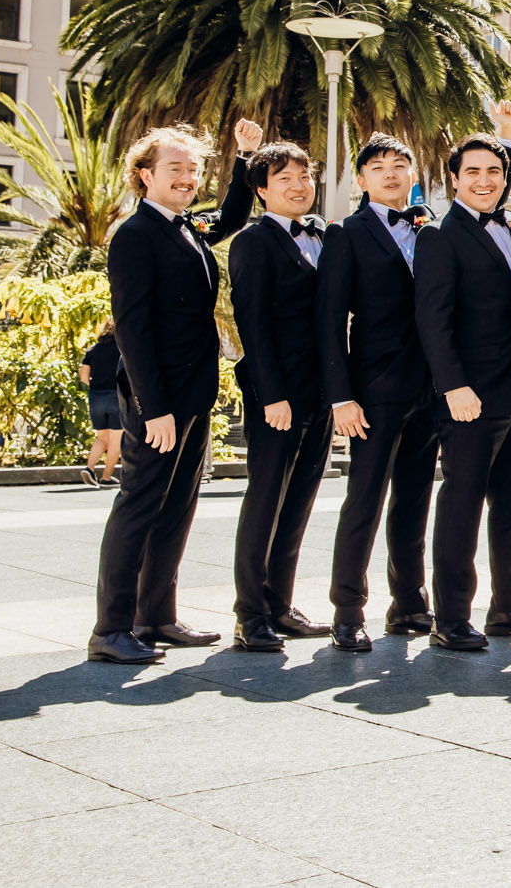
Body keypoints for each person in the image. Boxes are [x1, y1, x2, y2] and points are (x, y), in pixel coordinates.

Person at [87, 119, 258, 665]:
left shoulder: (185, 226)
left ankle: (155, 616)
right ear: (145, 175)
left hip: (193, 393)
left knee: (178, 505)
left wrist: (243, 158)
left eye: (194, 169)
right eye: (175, 168)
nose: (188, 178)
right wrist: (152, 408)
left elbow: (232, 215)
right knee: (140, 505)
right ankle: (111, 629)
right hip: (158, 400)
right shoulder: (136, 235)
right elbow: (132, 329)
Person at [412, 123, 511, 651]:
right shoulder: (438, 235)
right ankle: (449, 617)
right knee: (462, 505)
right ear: (453, 180)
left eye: (494, 171)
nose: (485, 180)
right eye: (472, 171)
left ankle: (509, 606)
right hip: (471, 398)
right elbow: (433, 318)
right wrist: (453, 386)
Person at [317, 134, 441, 652]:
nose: (391, 174)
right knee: (363, 500)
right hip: (372, 392)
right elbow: (328, 320)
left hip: (429, 390)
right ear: (361, 179)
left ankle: (409, 602)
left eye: (399, 165)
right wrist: (341, 397)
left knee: (413, 500)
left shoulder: (430, 228)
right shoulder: (346, 234)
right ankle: (348, 610)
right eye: (378, 167)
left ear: (412, 174)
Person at [226, 142, 334, 653]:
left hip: (321, 394)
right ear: (262, 189)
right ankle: (250, 615)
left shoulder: (324, 237)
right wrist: (271, 395)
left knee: (299, 503)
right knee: (266, 501)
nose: (298, 185)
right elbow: (253, 322)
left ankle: (280, 604)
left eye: (304, 175)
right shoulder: (254, 241)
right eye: (284, 177)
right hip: (278, 397)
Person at [80, 320, 122, 486]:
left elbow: (84, 377)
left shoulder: (92, 350)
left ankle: (89, 468)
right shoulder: (121, 350)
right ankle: (106, 477)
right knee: (116, 440)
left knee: (102, 438)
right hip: (116, 396)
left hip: (96, 396)